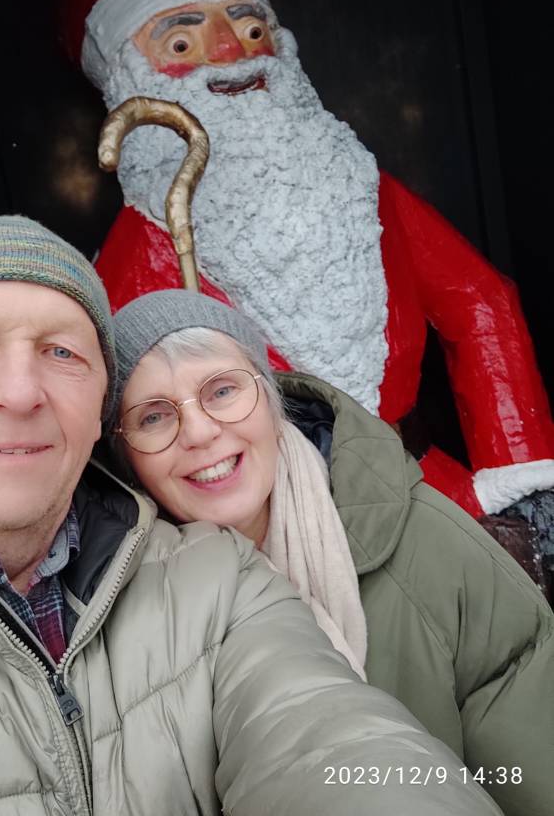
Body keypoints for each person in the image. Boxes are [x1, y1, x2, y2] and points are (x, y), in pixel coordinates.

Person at [0, 216, 503, 815]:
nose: (19, 392)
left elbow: (329, 739)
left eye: (60, 352)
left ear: (93, 414)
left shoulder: (215, 580)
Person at [60, 0, 554, 523]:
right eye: (182, 43)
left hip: (430, 496)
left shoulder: (356, 186)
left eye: (250, 29)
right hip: (274, 524)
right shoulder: (140, 253)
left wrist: (520, 473)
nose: (230, 52)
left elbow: (479, 300)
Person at [111, 288, 554, 816]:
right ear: (125, 457)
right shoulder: (113, 620)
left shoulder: (426, 542)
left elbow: (526, 765)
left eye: (223, 390)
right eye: (154, 417)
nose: (201, 432)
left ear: (271, 400)